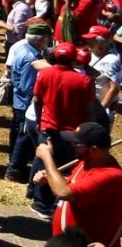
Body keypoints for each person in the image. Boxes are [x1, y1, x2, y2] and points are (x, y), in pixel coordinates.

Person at [29, 42, 94, 220]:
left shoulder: (44, 74)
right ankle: (56, 202)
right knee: (65, 167)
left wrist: (38, 119)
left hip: (47, 126)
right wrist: (90, 129)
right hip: (72, 132)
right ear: (74, 59)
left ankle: (40, 202)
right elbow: (88, 109)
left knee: (44, 162)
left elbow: (36, 99)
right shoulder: (83, 81)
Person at [34, 122, 122, 245]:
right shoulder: (87, 162)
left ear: (93, 149)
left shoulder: (111, 176)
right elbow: (73, 183)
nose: (72, 146)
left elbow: (64, 192)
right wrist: (50, 177)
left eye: (76, 144)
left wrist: (47, 157)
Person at [5, 23, 52, 181]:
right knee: (23, 137)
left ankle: (15, 166)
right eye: (48, 38)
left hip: (20, 101)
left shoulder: (25, 50)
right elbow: (27, 86)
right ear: (42, 39)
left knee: (21, 135)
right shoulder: (32, 58)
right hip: (25, 103)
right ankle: (14, 170)